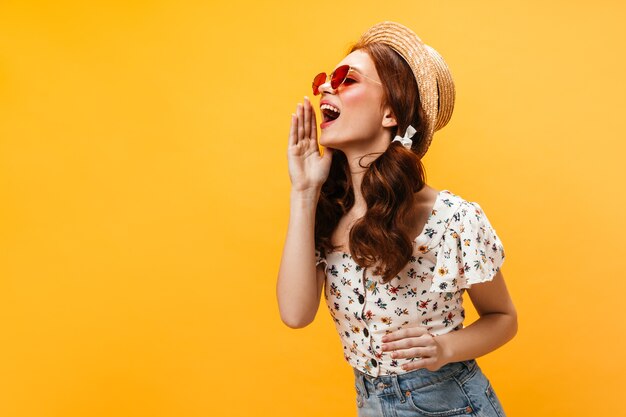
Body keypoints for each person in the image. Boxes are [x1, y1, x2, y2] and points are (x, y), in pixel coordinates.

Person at [276, 21, 517, 417]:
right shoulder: (328, 210)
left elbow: (503, 318)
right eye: (325, 78)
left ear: (390, 112)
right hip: (370, 403)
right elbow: (295, 314)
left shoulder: (452, 218)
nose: (324, 88)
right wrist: (303, 191)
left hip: (450, 402)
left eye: (346, 79)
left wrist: (445, 349)